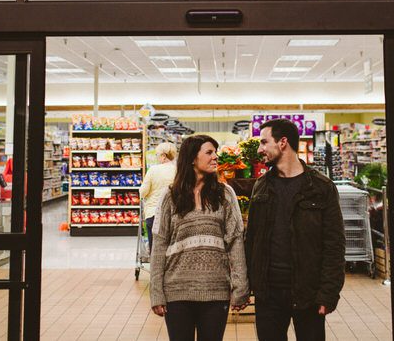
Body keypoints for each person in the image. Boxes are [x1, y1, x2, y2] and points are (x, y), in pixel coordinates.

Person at [245, 119, 345, 341]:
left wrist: (328, 292)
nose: (260, 149)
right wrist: (249, 284)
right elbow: (251, 239)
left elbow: (334, 244)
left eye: (264, 142)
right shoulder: (261, 186)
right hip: (268, 293)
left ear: (282, 142)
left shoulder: (320, 187)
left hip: (308, 291)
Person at [149, 134, 249, 341]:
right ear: (192, 158)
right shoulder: (170, 196)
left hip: (216, 291)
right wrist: (156, 291)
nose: (215, 157)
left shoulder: (225, 194)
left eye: (216, 152)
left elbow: (235, 242)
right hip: (177, 291)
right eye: (209, 152)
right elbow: (159, 244)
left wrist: (240, 287)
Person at [139, 141, 178, 250]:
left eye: (157, 154)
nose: (156, 157)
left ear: (164, 156)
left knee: (155, 247)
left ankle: (154, 258)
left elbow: (143, 192)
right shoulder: (178, 170)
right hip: (173, 213)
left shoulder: (153, 170)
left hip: (154, 213)